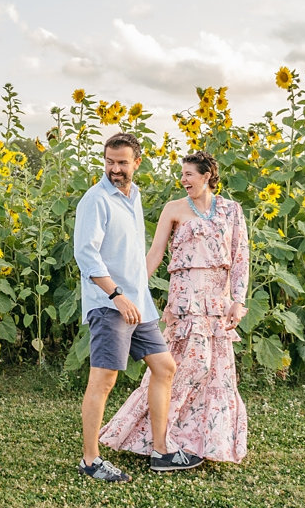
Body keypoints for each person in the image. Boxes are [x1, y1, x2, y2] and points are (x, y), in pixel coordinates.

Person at [101, 150, 249, 464]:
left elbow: (240, 258)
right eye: (181, 175)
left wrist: (239, 301)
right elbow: (155, 255)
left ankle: (201, 441)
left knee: (215, 373)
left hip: (216, 301)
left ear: (207, 175)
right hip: (185, 299)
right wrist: (124, 291)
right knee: (190, 366)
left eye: (189, 175)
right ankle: (161, 439)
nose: (183, 181)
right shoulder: (174, 208)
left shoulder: (231, 210)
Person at [73, 132, 199, 483]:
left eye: (122, 163)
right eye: (110, 162)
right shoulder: (95, 200)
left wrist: (136, 295)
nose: (115, 169)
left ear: (136, 163)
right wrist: (116, 296)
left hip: (137, 303)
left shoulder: (133, 196)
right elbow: (85, 253)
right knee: (104, 380)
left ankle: (161, 451)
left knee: (164, 367)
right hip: (110, 304)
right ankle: (90, 460)